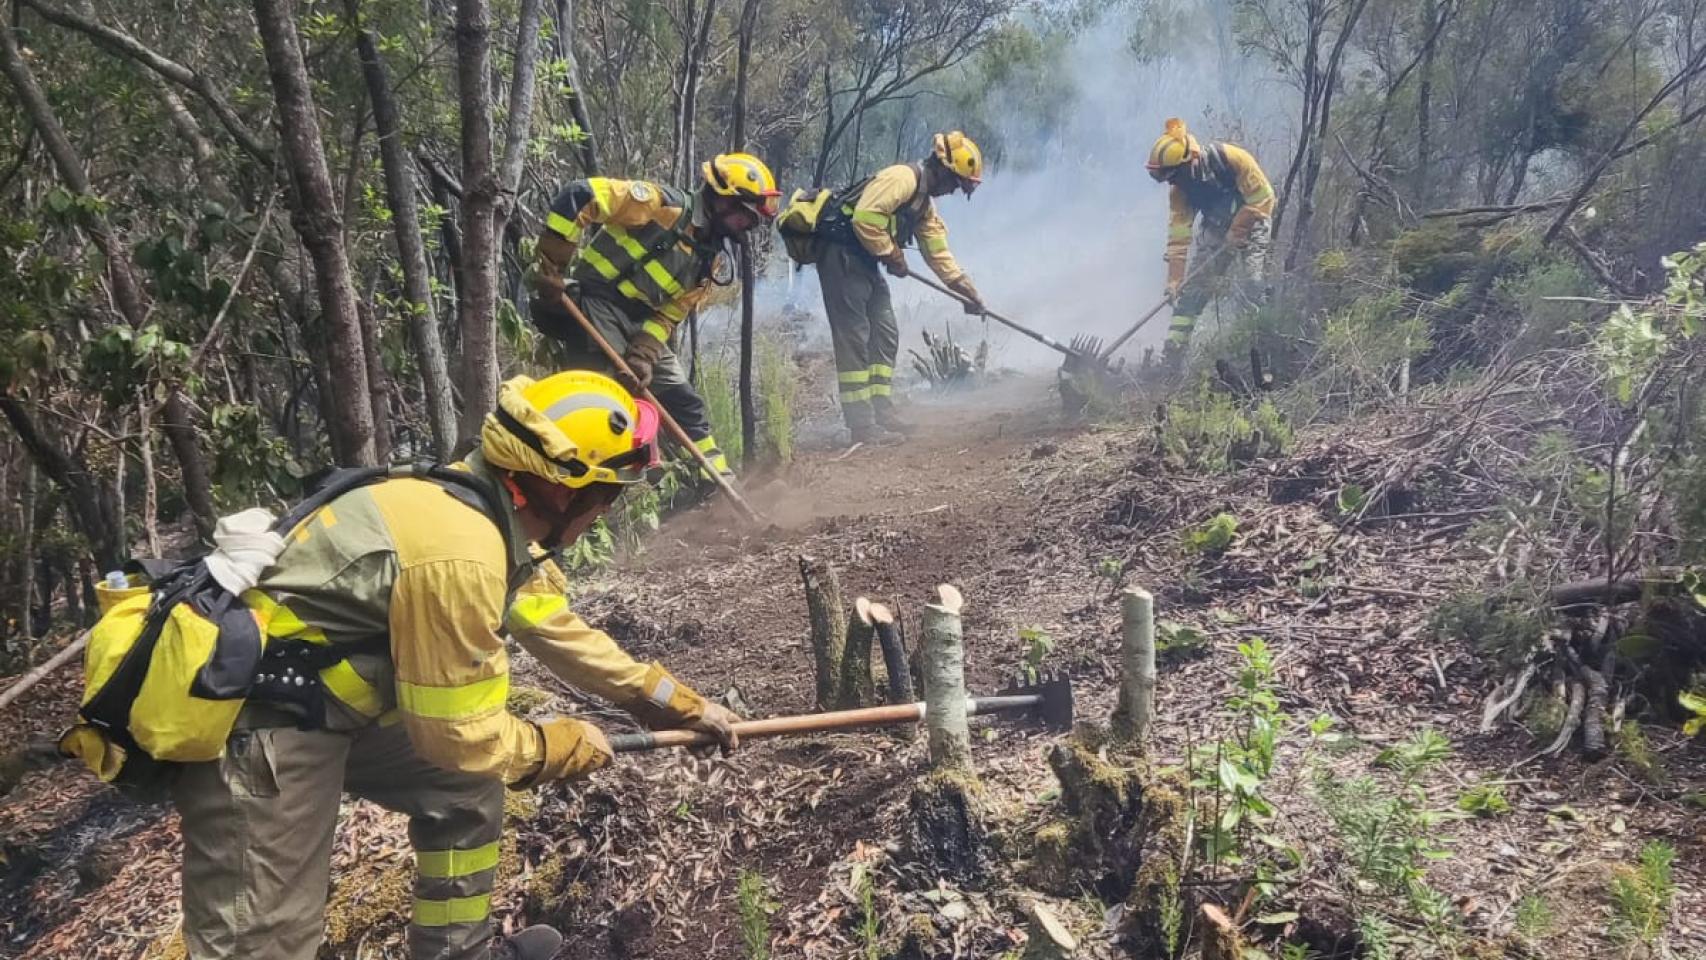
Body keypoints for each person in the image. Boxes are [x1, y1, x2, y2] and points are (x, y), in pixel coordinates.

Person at [172, 370, 742, 960]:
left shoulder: (477, 511)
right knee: (264, 942)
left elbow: (559, 630)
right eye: (608, 493)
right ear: (564, 489)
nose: (606, 510)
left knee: (464, 794)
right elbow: (457, 736)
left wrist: (673, 703)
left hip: (333, 702)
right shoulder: (461, 555)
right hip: (260, 723)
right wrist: (554, 749)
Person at [528, 154, 781, 478]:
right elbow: (580, 195)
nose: (747, 227)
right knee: (605, 396)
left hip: (640, 321)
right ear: (722, 200)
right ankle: (584, 485)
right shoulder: (662, 206)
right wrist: (553, 265)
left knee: (684, 401)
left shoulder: (709, 259)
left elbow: (670, 313)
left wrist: (644, 354)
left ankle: (715, 482)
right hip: (598, 301)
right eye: (745, 217)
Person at [813, 131, 986, 445]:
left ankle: (882, 410)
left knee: (885, 331)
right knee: (854, 337)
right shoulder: (902, 179)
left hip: (866, 261)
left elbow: (937, 252)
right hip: (841, 257)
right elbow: (865, 218)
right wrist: (892, 254)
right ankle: (862, 427)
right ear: (943, 170)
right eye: (955, 183)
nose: (952, 191)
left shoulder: (923, 204)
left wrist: (964, 289)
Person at [1145, 117, 1274, 369]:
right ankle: (1172, 356)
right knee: (1192, 292)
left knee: (1253, 281)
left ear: (1189, 163)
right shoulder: (1180, 192)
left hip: (1254, 218)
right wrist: (1174, 280)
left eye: (1173, 176)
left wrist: (1238, 228)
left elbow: (1264, 197)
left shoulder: (1231, 159)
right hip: (1217, 227)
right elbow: (1178, 238)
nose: (1172, 183)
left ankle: (1263, 348)